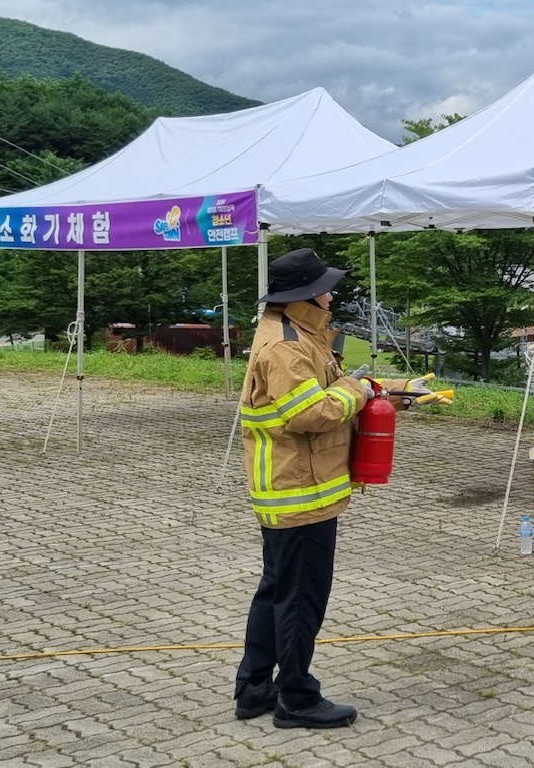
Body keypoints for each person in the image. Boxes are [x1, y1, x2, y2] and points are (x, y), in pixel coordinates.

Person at [234, 248, 373, 729]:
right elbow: (309, 413)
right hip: (300, 493)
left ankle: (254, 688)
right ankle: (296, 697)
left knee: (277, 591)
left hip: (289, 489)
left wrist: (360, 390)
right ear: (307, 296)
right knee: (300, 598)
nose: (332, 296)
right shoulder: (288, 346)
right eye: (326, 289)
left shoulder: (292, 331)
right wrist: (357, 392)